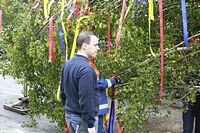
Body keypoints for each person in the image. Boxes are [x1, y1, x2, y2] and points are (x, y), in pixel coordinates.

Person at [60, 31, 100, 133]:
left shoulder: (68, 64)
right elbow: (86, 100)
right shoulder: (86, 70)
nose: (98, 48)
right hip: (83, 121)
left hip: (71, 117)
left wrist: (70, 110)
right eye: (95, 45)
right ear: (85, 46)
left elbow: (62, 93)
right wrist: (91, 125)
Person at [89, 58, 123, 133]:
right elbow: (100, 83)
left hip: (96, 108)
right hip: (96, 108)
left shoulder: (89, 64)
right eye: (95, 45)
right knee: (98, 129)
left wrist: (112, 80)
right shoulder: (89, 65)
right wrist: (114, 80)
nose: (97, 49)